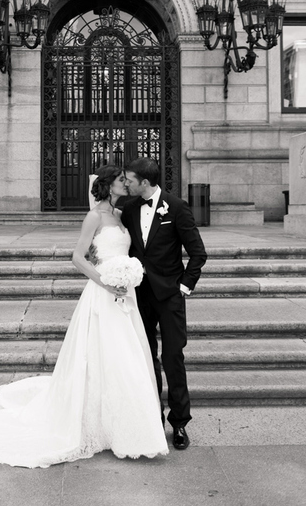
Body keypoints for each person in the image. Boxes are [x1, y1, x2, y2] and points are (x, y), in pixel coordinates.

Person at [0, 165, 168, 467]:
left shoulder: (120, 214)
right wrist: (105, 281)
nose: (125, 184)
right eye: (121, 180)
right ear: (108, 185)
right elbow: (77, 257)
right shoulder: (93, 217)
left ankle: (125, 425)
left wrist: (128, 275)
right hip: (103, 292)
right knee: (106, 354)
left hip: (124, 294)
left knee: (125, 356)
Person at [121, 157, 207, 451]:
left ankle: (179, 423)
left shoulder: (177, 207)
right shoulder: (129, 208)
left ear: (144, 182)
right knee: (146, 358)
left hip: (170, 296)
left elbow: (198, 253)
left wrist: (184, 286)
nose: (126, 184)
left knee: (172, 358)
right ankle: (153, 417)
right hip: (139, 295)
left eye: (130, 180)